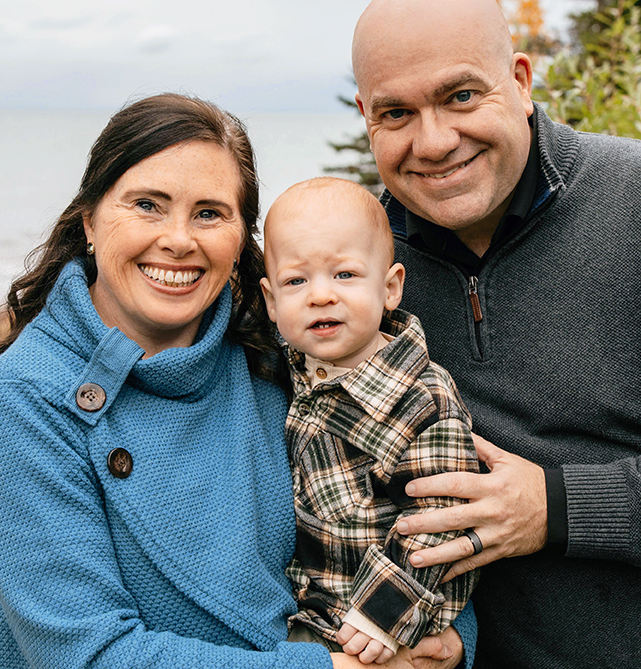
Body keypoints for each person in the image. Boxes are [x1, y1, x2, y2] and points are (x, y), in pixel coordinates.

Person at [0, 93, 475, 669]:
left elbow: (417, 506)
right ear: (89, 221)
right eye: (147, 204)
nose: (178, 239)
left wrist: (447, 645)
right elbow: (82, 653)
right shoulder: (28, 393)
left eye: (209, 212)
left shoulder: (286, 350)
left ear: (240, 240)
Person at [351, 0, 641, 667]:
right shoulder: (354, 267)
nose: (431, 141)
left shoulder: (629, 202)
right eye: (396, 113)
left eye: (458, 95)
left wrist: (555, 506)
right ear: (366, 120)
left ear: (519, 81)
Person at [260, 177, 479, 666]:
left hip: (387, 623)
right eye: (296, 281)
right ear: (272, 302)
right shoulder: (293, 370)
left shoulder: (420, 398)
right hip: (309, 619)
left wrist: (381, 614)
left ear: (390, 287)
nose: (320, 295)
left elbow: (442, 525)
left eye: (345, 275)